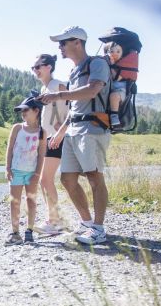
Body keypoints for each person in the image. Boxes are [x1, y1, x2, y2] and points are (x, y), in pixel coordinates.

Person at [39, 26, 111, 245]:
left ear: (77, 43)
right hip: (73, 130)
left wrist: (58, 95)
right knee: (67, 178)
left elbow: (92, 90)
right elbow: (73, 108)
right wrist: (61, 132)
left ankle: (99, 229)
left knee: (94, 176)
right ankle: (87, 223)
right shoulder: (74, 71)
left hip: (93, 128)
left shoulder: (96, 64)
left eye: (63, 43)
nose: (60, 47)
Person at [31, 53, 68, 235]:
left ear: (49, 67)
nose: (35, 70)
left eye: (38, 67)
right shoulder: (44, 88)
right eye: (33, 68)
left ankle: (54, 222)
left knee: (46, 179)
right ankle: (53, 219)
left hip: (57, 138)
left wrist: (62, 129)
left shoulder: (58, 85)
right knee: (42, 180)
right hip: (47, 138)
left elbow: (72, 109)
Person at [4, 94, 47, 245]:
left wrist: (37, 173)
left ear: (36, 111)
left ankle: (29, 230)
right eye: (21, 111)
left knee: (31, 200)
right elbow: (10, 149)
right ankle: (15, 232)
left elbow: (41, 155)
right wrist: (7, 168)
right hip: (16, 170)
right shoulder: (17, 128)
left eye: (26, 110)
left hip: (31, 173)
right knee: (14, 201)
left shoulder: (42, 132)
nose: (23, 113)